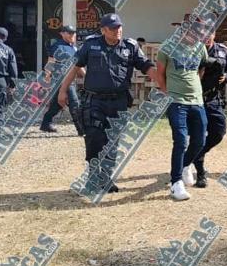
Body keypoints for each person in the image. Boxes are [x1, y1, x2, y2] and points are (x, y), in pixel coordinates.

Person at [58, 13, 155, 194]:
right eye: (112, 28)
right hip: (94, 100)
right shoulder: (91, 44)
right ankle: (93, 178)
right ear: (103, 30)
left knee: (113, 141)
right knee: (94, 138)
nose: (117, 31)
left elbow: (146, 66)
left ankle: (106, 178)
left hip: (118, 101)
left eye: (119, 27)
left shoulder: (130, 46)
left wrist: (163, 82)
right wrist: (63, 90)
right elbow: (75, 66)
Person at [156, 29, 209, 201]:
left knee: (200, 140)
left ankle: (185, 164)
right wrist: (168, 93)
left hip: (197, 101)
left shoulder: (201, 48)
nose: (198, 38)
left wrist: (194, 87)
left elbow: (201, 68)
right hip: (176, 101)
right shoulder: (167, 48)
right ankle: (176, 182)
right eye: (195, 34)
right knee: (180, 139)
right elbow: (160, 74)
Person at [192, 32, 227, 188]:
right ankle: (200, 173)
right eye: (203, 34)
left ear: (214, 34)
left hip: (214, 99)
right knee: (198, 134)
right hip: (196, 99)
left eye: (210, 33)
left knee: (219, 132)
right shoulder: (193, 51)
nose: (206, 37)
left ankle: (197, 154)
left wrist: (226, 77)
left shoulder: (222, 50)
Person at [39, 25, 84, 135]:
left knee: (58, 104)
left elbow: (78, 64)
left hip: (70, 79)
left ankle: (45, 123)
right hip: (60, 79)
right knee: (74, 103)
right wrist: (47, 77)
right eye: (69, 33)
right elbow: (51, 62)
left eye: (73, 33)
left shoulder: (73, 47)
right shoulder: (57, 46)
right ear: (62, 33)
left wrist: (85, 76)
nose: (72, 35)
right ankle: (81, 129)